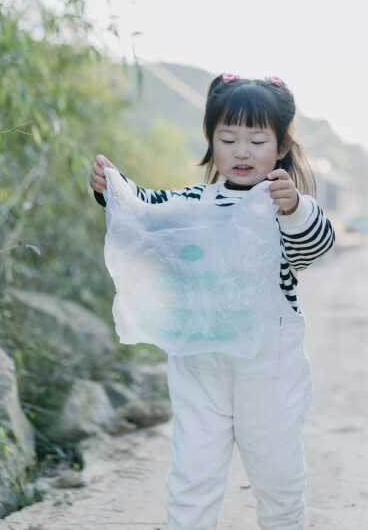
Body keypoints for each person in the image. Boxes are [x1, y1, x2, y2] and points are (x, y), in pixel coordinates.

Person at [89, 73, 335, 530]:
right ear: (211, 141)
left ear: (281, 146)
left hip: (270, 373)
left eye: (257, 139)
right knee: (191, 483)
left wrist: (296, 208)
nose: (242, 151)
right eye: (228, 138)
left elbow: (315, 247)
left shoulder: (283, 207)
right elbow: (145, 211)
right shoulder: (192, 203)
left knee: (279, 486)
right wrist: (112, 188)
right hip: (199, 370)